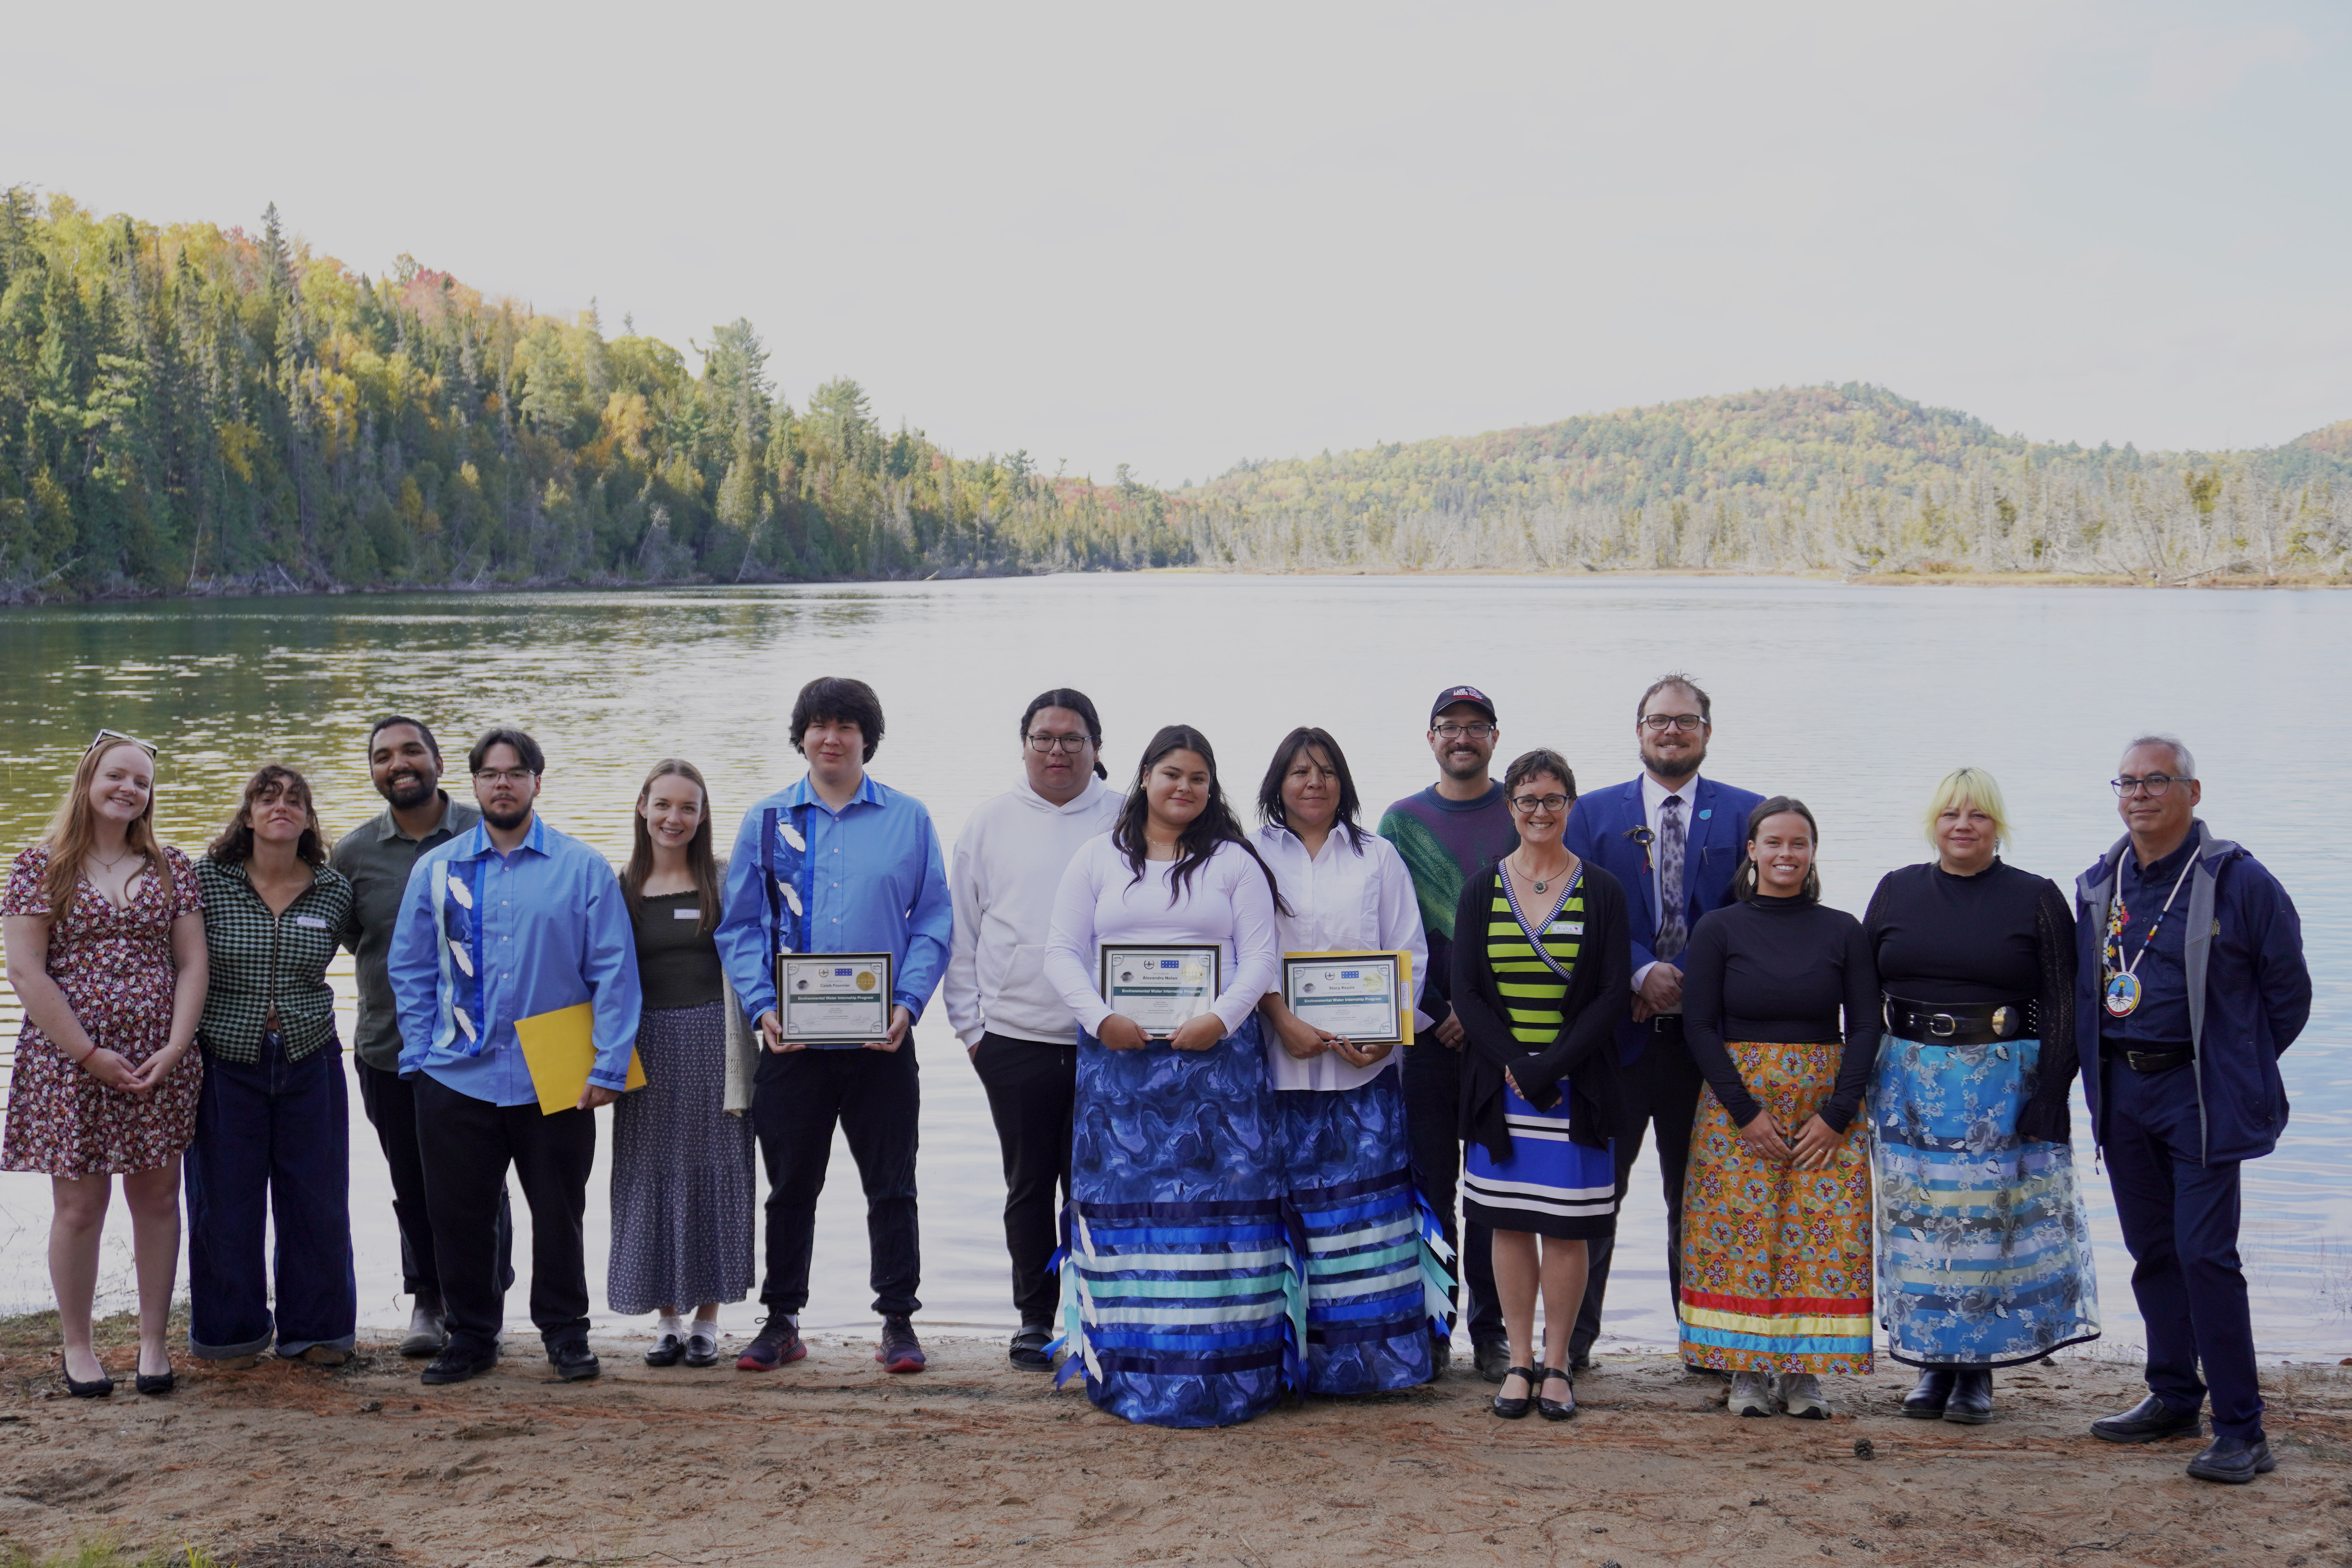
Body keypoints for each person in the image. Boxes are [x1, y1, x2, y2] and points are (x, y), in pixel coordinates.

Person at [2076, 735, 2309, 1485]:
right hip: (2122, 1089)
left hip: (2198, 1093)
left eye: (2157, 781)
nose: (2140, 795)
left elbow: (2288, 995)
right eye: (2128, 783)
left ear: (2192, 792)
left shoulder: (2241, 881)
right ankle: (2174, 1396)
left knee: (2207, 1255)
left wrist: (2236, 1065)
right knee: (2154, 1251)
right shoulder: (2100, 882)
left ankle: (2242, 1429)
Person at [1043, 725, 1286, 1427]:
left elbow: (1260, 959)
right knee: (1132, 1218)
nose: (1185, 787)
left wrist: (1221, 1019)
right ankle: (1130, 1374)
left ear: (1212, 789)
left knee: (1217, 1218)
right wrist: (1099, 1018)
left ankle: (1226, 1377)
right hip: (1119, 1068)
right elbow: (1061, 953)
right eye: (1173, 773)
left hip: (1218, 1069)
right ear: (1145, 776)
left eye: (1199, 779)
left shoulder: (1233, 863)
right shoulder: (1097, 858)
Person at [388, 726, 642, 1387]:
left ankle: (566, 1334)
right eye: (490, 774)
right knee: (460, 1216)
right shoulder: (437, 869)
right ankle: (472, 1336)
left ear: (537, 782)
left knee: (559, 1213)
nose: (503, 784)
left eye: (515, 773)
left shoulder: (581, 868)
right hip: (456, 1074)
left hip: (556, 1074)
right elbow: (411, 968)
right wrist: (420, 1054)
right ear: (473, 785)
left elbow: (614, 971)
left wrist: (609, 1065)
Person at [717, 677, 952, 1377]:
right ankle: (782, 1320)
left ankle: (898, 1321)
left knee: (893, 1186)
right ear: (801, 737)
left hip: (884, 1040)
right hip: (792, 1042)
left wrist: (908, 1004)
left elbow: (933, 922)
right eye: (819, 724)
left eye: (847, 726)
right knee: (790, 1187)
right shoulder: (767, 821)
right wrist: (764, 1007)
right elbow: (740, 928)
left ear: (866, 739)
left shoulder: (909, 819)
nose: (832, 737)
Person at [1864, 767, 2097, 1426]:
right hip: (1907, 1087)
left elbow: (2064, 1001)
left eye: (1978, 815)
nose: (1963, 825)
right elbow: (1859, 988)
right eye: (1951, 814)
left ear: (1998, 826)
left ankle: (1977, 1373)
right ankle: (1932, 1363)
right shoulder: (1896, 889)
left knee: (1990, 1229)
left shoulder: (2035, 897)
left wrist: (2053, 1093)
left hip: (2002, 1089)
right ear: (1933, 823)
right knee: (1920, 1228)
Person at [1562, 673, 1763, 1370]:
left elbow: (1754, 918)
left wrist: (1683, 979)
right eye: (1659, 720)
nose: (1671, 731)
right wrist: (1641, 971)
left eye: (1686, 720)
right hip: (1615, 1040)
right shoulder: (1591, 815)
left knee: (1702, 1200)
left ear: (1707, 732)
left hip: (1705, 1046)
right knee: (1595, 1197)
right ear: (1639, 730)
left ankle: (1706, 1345)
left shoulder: (1748, 814)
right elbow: (1576, 913)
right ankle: (1573, 1344)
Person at [2, 731, 206, 1399]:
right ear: (88, 780)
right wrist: (89, 1054)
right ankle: (78, 1346)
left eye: (142, 782)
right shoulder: (41, 866)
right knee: (79, 1207)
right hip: (69, 1062)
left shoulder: (172, 867)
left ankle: (152, 1342)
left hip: (157, 1060)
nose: (129, 789)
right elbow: (27, 973)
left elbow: (192, 964)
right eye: (117, 776)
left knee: (157, 1198)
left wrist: (175, 1046)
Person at [1678, 797, 1878, 1418]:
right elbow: (1699, 1025)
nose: (1786, 854)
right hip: (1737, 1107)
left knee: (1821, 1238)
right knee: (1739, 1237)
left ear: (1813, 852)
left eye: (1798, 843)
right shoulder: (1720, 928)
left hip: (1825, 1108)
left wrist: (1838, 1114)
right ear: (1753, 851)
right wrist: (1745, 1113)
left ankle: (1803, 1373)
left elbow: (1866, 1026)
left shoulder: (1843, 929)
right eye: (1774, 843)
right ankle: (1746, 1369)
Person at [1252, 727, 1437, 1394]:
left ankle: (1372, 1364)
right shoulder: (1247, 854)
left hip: (1365, 1073)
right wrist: (1281, 1019)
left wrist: (1390, 1034)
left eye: (1327, 771)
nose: (1314, 783)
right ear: (1279, 783)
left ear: (1344, 783)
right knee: (1282, 1216)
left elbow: (1409, 950)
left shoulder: (1377, 856)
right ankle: (1284, 1366)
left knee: (1363, 1221)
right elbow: (1244, 952)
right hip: (1277, 1067)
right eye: (1300, 771)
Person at [944, 689, 1124, 1368]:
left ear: (1097, 748)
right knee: (1028, 1185)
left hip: (1109, 1040)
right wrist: (972, 1032)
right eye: (1043, 738)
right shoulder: (989, 822)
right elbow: (962, 935)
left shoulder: (1126, 818)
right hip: (1014, 1038)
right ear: (1023, 746)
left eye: (1073, 739)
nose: (1057, 750)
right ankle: (1033, 1318)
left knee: (1099, 1185)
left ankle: (1101, 1312)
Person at [1451, 750, 1630, 1422]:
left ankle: (1558, 1364)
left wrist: (1550, 1065)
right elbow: (1467, 992)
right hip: (1501, 1089)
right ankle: (1518, 1362)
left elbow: (1611, 994)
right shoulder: (1482, 889)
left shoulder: (1602, 890)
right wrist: (1515, 1063)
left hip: (1576, 1086)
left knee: (1566, 1229)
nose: (1540, 812)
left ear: (1570, 806)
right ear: (1511, 807)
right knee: (1507, 1223)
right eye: (1527, 800)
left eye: (1553, 800)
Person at [331, 715, 506, 1359]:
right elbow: (359, 940)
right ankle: (428, 1299)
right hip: (390, 1044)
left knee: (482, 1182)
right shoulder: (353, 854)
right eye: (383, 756)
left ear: (438, 762)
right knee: (413, 1181)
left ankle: (483, 1305)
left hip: (483, 1046)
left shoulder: (487, 829)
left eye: (411, 751)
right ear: (373, 772)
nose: (398, 764)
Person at [186, 765, 359, 1370]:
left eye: (294, 799)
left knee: (318, 1201)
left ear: (308, 819)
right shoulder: (206, 880)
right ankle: (230, 1336)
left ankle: (318, 1332)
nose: (280, 806)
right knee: (223, 1204)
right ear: (248, 815)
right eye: (267, 798)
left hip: (310, 1058)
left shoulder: (335, 890)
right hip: (225, 1060)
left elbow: (377, 950)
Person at [1376, 685, 1517, 1379]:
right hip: (1425, 1036)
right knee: (1431, 1192)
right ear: (1431, 737)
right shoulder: (1401, 823)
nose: (1463, 737)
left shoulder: (1521, 812)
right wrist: (1436, 1010)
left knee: (1494, 1193)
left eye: (1476, 726)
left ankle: (1493, 1332)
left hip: (1503, 1041)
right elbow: (1388, 931)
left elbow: (1537, 927)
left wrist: (1480, 1012)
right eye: (1449, 726)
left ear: (1495, 737)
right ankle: (1436, 1326)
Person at [611, 759, 755, 1369]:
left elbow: (758, 952)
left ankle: (707, 1323)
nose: (675, 818)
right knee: (650, 1173)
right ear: (643, 808)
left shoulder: (725, 880)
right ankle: (667, 1320)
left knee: (716, 1172)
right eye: (664, 804)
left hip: (716, 1043)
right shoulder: (618, 887)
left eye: (688, 807)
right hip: (645, 1047)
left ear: (702, 816)